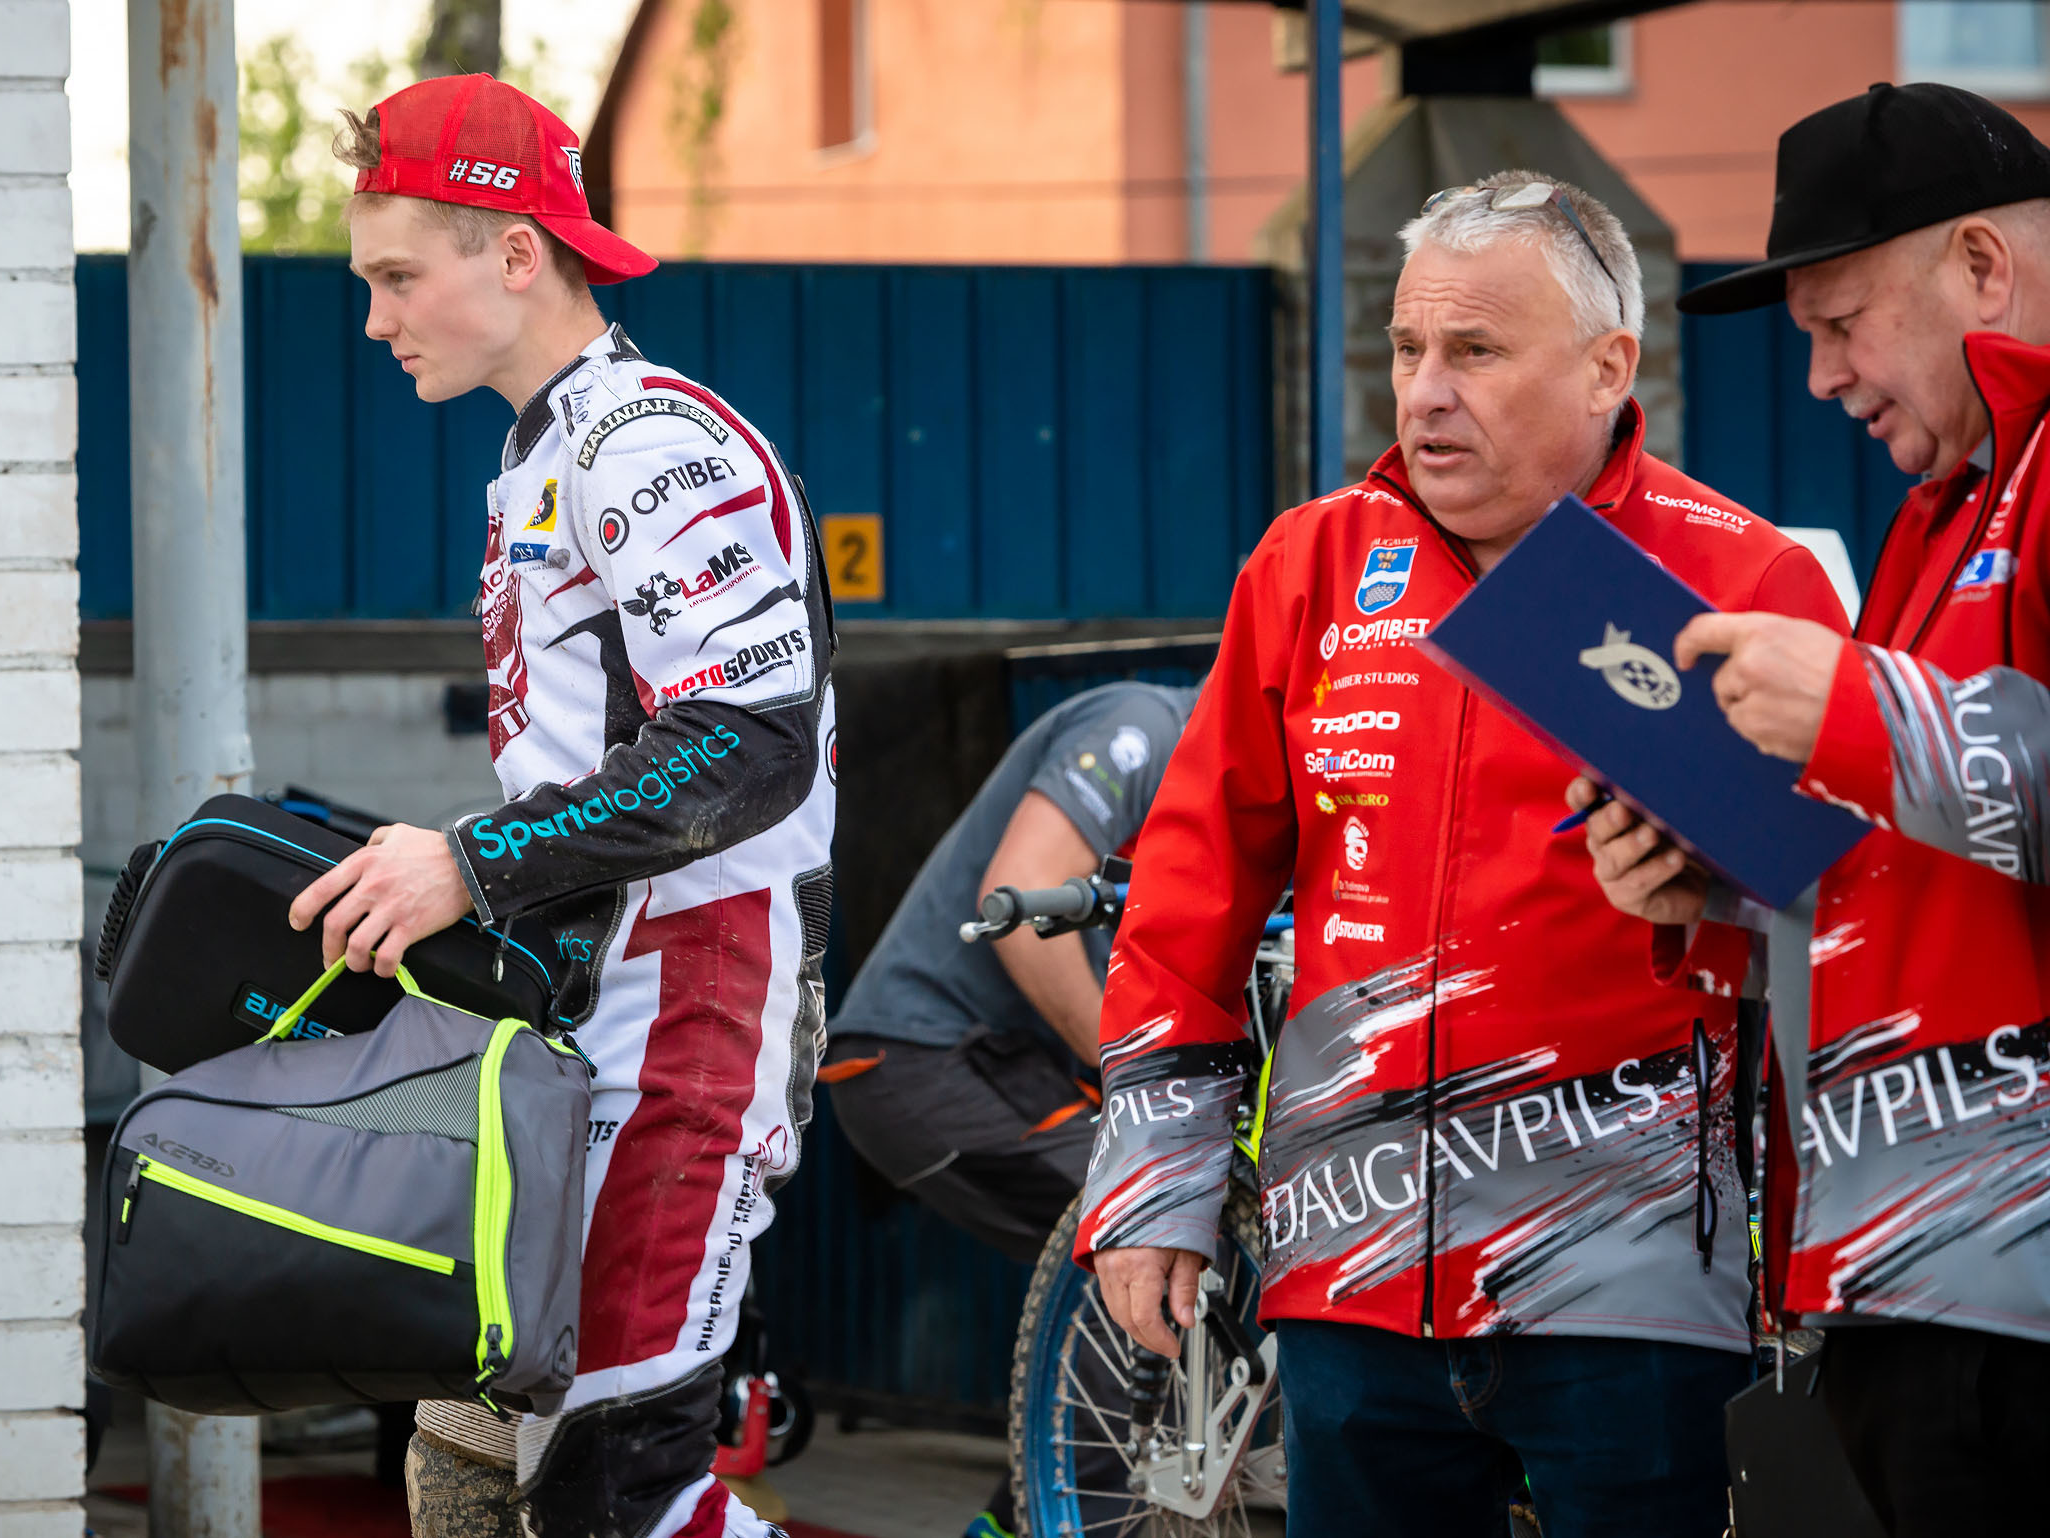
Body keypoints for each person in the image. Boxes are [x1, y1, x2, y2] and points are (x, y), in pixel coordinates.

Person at [1077, 171, 1851, 1538]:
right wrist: (1154, 1188)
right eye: (1408, 348)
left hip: (1631, 1292)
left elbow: (1830, 928)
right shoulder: (1308, 565)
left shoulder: (1749, 583)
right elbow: (1189, 894)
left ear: (1613, 366)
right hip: (1354, 1282)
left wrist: (1814, 1246)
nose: (1426, 391)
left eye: (1476, 351)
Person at [285, 74, 836, 1538]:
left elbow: (748, 741)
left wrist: (473, 861)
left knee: (619, 1498)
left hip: (703, 1000)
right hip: (599, 1007)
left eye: (397, 276)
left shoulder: (647, 439)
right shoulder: (542, 449)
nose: (375, 316)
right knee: (467, 1460)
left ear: (516, 252)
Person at [1575, 81, 2050, 1535]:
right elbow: (1929, 871)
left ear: (1979, 264)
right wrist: (1706, 885)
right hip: (1911, 1283)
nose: (1822, 378)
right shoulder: (1946, 506)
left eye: (1841, 326)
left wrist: (1854, 704)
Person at [821, 676, 1198, 1538]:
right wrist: (1142, 1077)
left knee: (1164, 1265)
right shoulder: (1143, 724)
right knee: (1143, 1233)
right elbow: (1025, 894)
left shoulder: (1231, 802)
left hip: (1002, 1065)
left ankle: (1020, 1522)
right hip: (920, 1059)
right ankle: (1059, 1524)